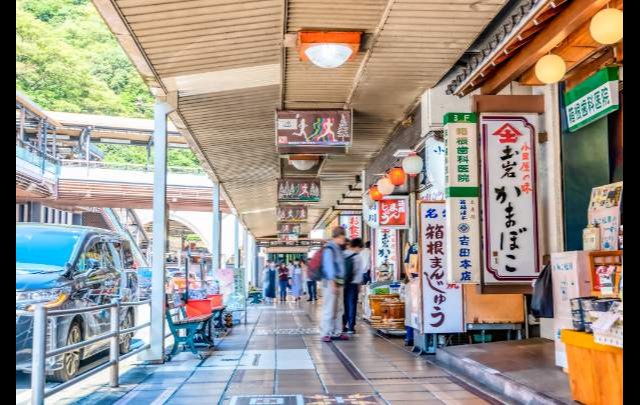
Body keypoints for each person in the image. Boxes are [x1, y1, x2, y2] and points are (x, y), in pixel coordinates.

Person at [320, 226, 348, 342]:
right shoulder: (329, 248)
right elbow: (329, 267)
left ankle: (337, 332)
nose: (344, 239)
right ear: (339, 236)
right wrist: (333, 283)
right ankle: (325, 333)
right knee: (329, 308)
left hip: (339, 282)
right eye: (343, 237)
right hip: (330, 282)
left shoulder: (337, 248)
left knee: (339, 308)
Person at [342, 238, 364, 334]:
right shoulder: (358, 257)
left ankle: (342, 325)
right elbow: (359, 273)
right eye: (360, 249)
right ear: (357, 247)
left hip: (342, 283)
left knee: (343, 305)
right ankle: (351, 327)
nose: (360, 251)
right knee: (352, 305)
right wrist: (359, 285)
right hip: (353, 284)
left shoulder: (342, 254)